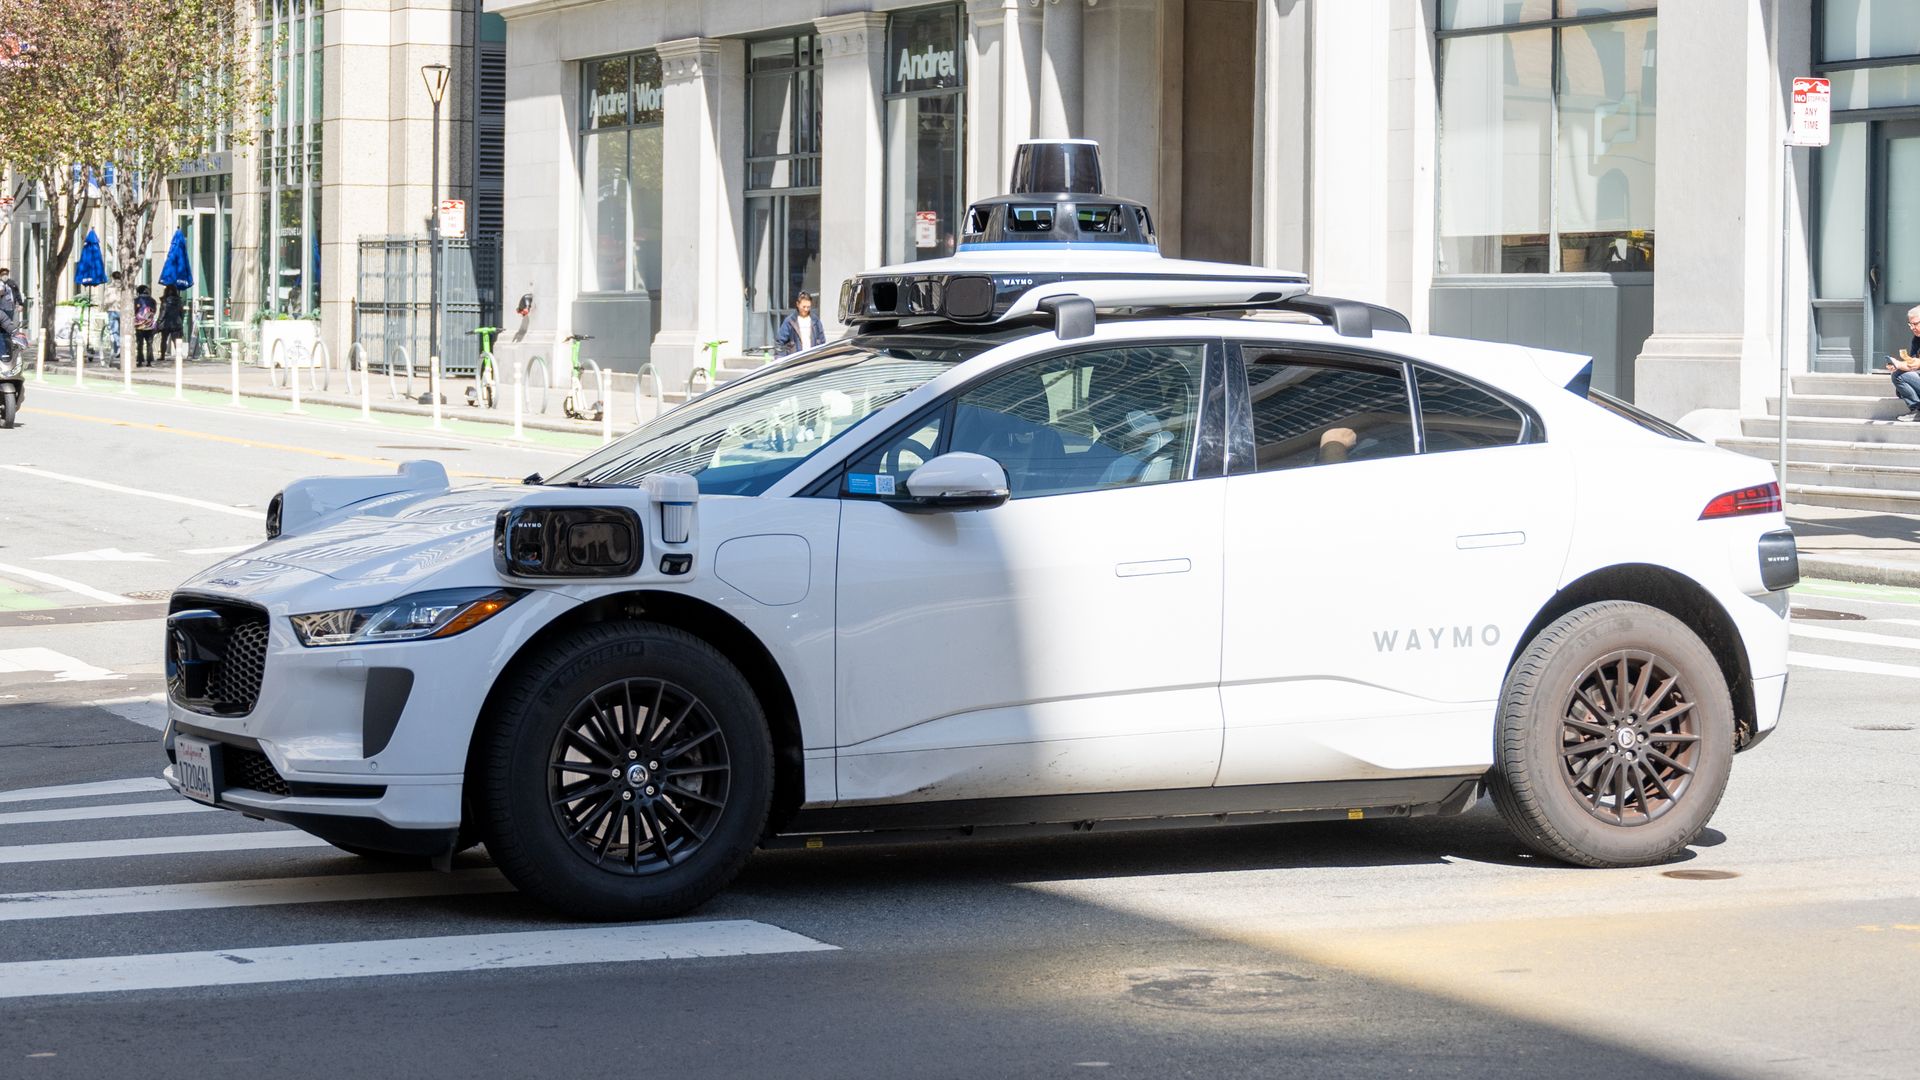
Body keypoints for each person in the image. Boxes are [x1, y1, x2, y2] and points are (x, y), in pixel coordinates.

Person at [1889, 305, 1920, 423]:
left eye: (1915, 324)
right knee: (1900, 385)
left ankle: (1917, 409)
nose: (1912, 327)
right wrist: (1897, 364)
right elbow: (1912, 362)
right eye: (1910, 324)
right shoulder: (1916, 339)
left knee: (1898, 376)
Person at [773, 291, 825, 358]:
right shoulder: (790, 321)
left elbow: (822, 341)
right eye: (804, 307)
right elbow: (779, 342)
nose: (806, 309)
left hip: (812, 359)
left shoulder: (815, 320)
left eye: (808, 307)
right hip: (795, 360)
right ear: (797, 304)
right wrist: (780, 359)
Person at [157, 285, 184, 364]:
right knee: (176, 340)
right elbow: (181, 312)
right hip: (176, 322)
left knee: (164, 340)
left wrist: (159, 322)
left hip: (166, 323)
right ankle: (179, 355)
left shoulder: (165, 301)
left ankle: (162, 355)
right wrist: (180, 321)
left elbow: (162, 312)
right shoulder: (179, 301)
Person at [133, 284, 157, 367]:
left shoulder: (136, 300)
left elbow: (134, 311)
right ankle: (149, 361)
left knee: (140, 343)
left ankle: (139, 360)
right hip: (150, 324)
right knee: (149, 343)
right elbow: (154, 311)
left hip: (139, 324)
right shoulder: (152, 300)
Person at [104, 271, 126, 361]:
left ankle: (118, 348)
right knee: (123, 331)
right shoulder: (124, 288)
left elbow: (106, 301)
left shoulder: (109, 288)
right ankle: (123, 348)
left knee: (114, 331)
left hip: (112, 310)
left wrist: (105, 307)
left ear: (112, 278)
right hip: (123, 311)